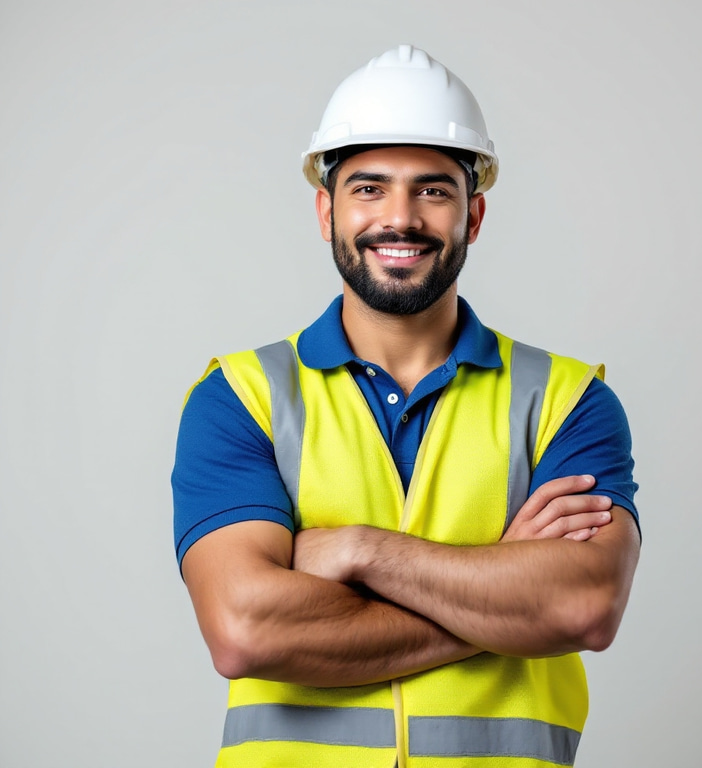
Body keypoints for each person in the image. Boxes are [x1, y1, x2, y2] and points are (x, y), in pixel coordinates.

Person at [172, 44, 640, 768]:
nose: (401, 218)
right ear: (325, 209)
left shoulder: (567, 400)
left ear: (473, 215)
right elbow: (245, 630)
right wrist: (507, 592)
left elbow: (582, 608)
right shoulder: (242, 397)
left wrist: (357, 552)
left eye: (432, 190)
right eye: (368, 189)